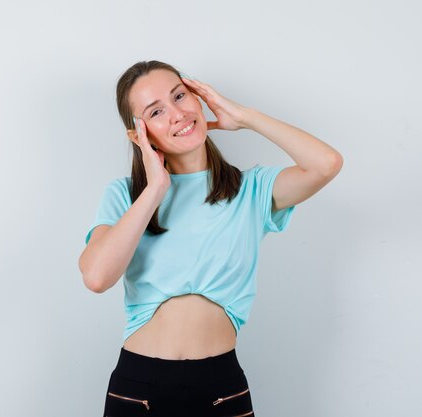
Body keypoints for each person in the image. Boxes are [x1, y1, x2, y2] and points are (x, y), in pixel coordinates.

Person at [78, 60, 343, 417]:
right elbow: (97, 277)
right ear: (137, 135)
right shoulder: (126, 196)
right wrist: (155, 188)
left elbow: (326, 163)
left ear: (198, 98)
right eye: (156, 111)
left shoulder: (251, 190)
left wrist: (244, 117)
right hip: (139, 387)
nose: (176, 114)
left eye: (180, 96)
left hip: (221, 386)